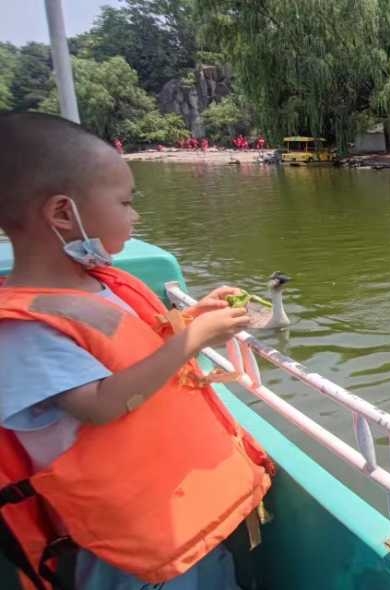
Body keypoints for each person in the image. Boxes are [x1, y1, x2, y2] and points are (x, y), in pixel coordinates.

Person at [0, 112, 272, 590]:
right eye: (126, 202)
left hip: (189, 519)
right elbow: (102, 404)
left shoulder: (96, 287)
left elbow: (127, 354)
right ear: (63, 213)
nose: (136, 216)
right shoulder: (23, 333)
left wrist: (188, 321)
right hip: (140, 558)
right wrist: (195, 339)